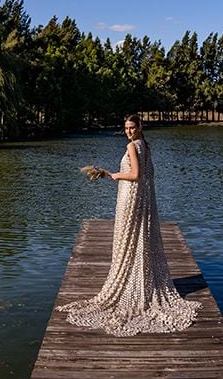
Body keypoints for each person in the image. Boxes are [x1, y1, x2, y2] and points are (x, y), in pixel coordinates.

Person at [56, 114, 201, 336]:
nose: (129, 131)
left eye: (132, 127)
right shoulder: (146, 145)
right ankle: (143, 279)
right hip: (140, 199)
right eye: (126, 128)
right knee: (138, 238)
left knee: (128, 239)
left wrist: (114, 174)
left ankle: (131, 282)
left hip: (130, 198)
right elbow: (148, 176)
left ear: (140, 127)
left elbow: (135, 174)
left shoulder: (133, 146)